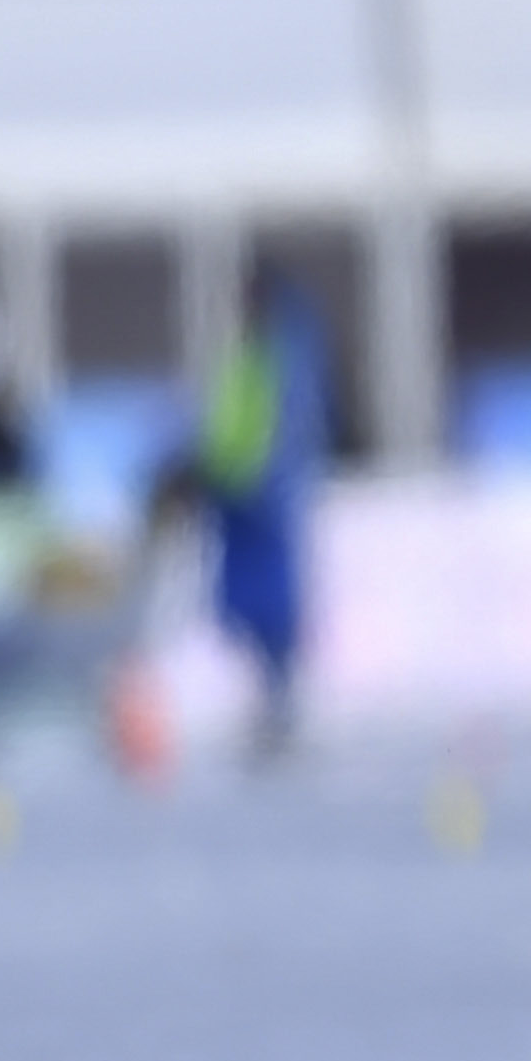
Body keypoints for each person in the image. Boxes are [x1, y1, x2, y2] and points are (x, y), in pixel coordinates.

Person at [194, 280, 331, 759]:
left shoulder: (281, 363)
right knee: (251, 613)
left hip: (261, 506)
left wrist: (245, 481)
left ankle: (280, 710)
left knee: (275, 614)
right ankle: (270, 708)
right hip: (240, 504)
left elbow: (277, 437)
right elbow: (227, 427)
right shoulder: (252, 362)